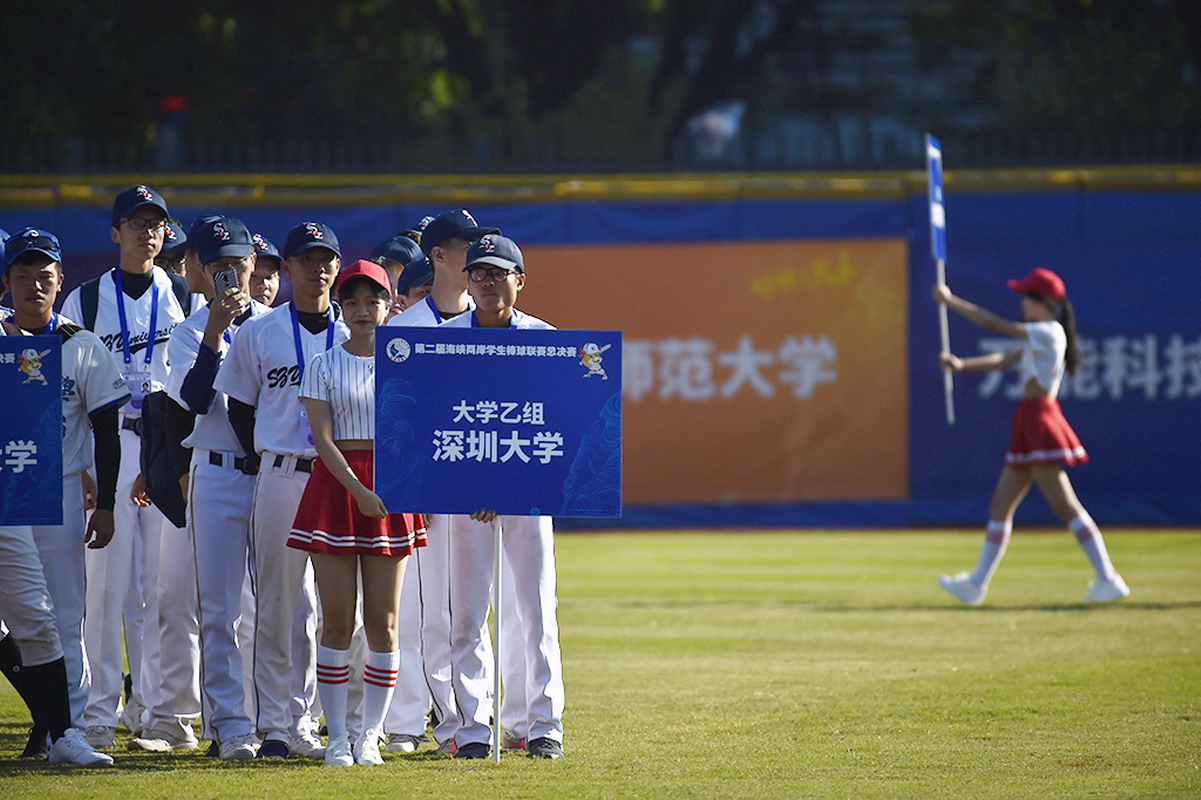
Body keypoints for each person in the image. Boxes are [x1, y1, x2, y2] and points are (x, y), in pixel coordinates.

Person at [60, 185, 191, 749]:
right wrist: (79, 463)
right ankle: (97, 713)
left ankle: (156, 711)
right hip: (105, 444)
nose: (147, 233)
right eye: (136, 223)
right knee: (105, 590)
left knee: (161, 588)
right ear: (114, 232)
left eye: (155, 224)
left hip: (162, 444)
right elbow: (66, 386)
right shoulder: (85, 300)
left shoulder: (181, 292)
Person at [215, 221, 349, 759]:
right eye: (306, 259)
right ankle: (273, 724)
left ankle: (306, 722)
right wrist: (265, 458)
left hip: (340, 479)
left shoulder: (355, 332)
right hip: (282, 473)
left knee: (329, 608)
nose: (317, 268)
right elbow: (239, 407)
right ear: (287, 267)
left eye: (326, 259)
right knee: (276, 603)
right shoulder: (260, 330)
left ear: (338, 266)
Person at [287, 260, 426, 766]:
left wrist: (407, 488)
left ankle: (371, 734)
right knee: (337, 621)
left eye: (373, 301)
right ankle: (338, 736)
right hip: (338, 488)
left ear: (390, 306)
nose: (363, 310)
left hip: (392, 488)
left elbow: (421, 433)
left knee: (383, 622)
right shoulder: (323, 364)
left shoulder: (409, 363)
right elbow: (322, 440)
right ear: (341, 309)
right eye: (353, 302)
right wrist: (360, 490)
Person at [933, 268, 1131, 605]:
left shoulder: (1049, 331)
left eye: (1026, 296)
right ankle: (975, 585)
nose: (1022, 303)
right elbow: (1004, 360)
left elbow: (995, 325)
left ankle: (1109, 578)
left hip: (1040, 420)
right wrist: (962, 366)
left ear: (1042, 301)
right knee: (1001, 505)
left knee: (1064, 505)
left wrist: (951, 302)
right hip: (1028, 419)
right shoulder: (1039, 336)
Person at [2, 228, 129, 755]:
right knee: (20, 618)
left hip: (57, 492)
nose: (35, 285)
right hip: (5, 490)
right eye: (23, 275)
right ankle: (48, 720)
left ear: (60, 283)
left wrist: (107, 504)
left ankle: (65, 729)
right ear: (7, 281)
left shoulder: (82, 344)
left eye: (45, 276)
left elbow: (106, 430)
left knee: (63, 613)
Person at [441, 234, 566, 759]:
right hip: (466, 499)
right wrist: (470, 484)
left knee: (535, 609)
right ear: (467, 281)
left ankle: (543, 726)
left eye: (499, 272)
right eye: (479, 272)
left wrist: (519, 484)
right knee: (466, 614)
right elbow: (434, 422)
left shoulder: (545, 339)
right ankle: (472, 728)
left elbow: (561, 422)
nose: (488, 281)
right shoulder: (443, 342)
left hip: (527, 496)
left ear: (520, 280)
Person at [382, 209, 499, 756]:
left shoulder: (491, 320)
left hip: (481, 494)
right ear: (438, 255)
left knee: (473, 613)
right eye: (463, 245)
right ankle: (418, 722)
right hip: (423, 495)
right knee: (418, 614)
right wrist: (411, 485)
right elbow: (394, 420)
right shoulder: (403, 330)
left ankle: (473, 720)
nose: (475, 254)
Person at [165, 216, 271, 760]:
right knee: (221, 609)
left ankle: (283, 722)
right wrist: (213, 333)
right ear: (204, 271)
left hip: (272, 471)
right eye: (219, 265)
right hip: (216, 468)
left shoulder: (277, 326)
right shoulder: (188, 331)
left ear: (253, 262)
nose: (231, 273)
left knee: (286, 603)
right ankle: (230, 726)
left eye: (238, 262)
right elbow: (195, 400)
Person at [250, 233, 283, 306]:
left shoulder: (287, 313)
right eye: (253, 276)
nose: (263, 285)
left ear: (278, 280)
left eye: (269, 277)